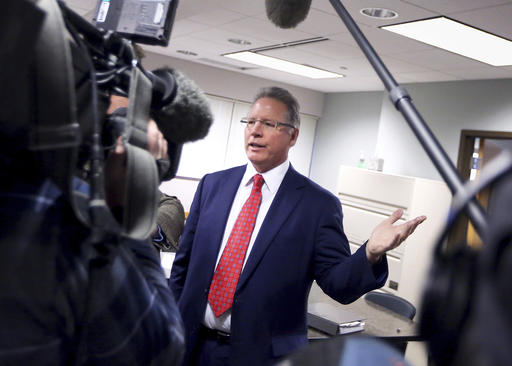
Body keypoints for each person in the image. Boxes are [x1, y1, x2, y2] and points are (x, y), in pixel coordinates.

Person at [169, 86, 426, 366]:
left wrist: (371, 253)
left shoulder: (317, 205)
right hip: (192, 347)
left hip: (263, 357)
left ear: (293, 135)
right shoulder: (212, 185)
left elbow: (337, 284)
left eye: (268, 124)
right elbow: (184, 265)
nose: (255, 131)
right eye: (251, 122)